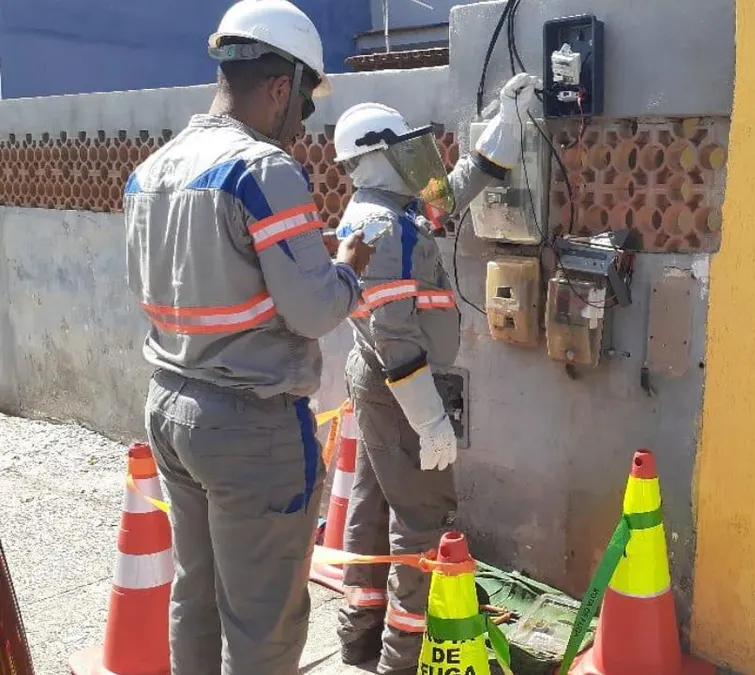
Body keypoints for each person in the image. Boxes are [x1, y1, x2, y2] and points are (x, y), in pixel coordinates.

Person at [122, 1, 373, 673]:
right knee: (264, 617)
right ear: (280, 86)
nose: (301, 125)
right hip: (249, 428)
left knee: (197, 595)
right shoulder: (262, 170)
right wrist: (348, 271)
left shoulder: (151, 173)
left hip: (172, 407)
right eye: (305, 106)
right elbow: (314, 309)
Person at [329, 73, 540, 672]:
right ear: (376, 157)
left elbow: (456, 188)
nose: (417, 159)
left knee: (372, 508)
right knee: (421, 518)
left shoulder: (392, 211)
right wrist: (429, 422)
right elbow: (395, 338)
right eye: (403, 149)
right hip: (397, 384)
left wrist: (505, 119)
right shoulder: (379, 225)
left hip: (380, 381)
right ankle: (408, 653)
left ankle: (360, 634)